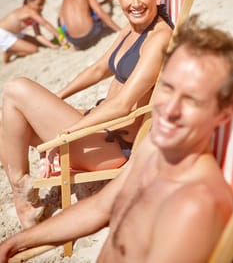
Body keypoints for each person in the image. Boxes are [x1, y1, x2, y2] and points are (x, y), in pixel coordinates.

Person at [0, 24, 233, 263]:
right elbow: (99, 208)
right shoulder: (154, 148)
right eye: (167, 88)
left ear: (224, 114)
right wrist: (17, 242)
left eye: (191, 100)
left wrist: (67, 133)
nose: (169, 109)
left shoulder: (192, 207)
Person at [0, 0, 174, 229]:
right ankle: (22, 195)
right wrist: (55, 99)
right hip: (98, 125)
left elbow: (124, 105)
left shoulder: (158, 38)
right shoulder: (133, 27)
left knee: (15, 89)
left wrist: (64, 137)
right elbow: (97, 69)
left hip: (113, 147)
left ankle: (22, 200)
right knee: (12, 119)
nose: (136, 3)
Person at [0, 0, 61, 64]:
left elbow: (38, 35)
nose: (41, 7)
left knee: (39, 43)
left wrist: (51, 45)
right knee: (33, 50)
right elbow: (45, 24)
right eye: (39, 4)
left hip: (15, 33)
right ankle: (9, 51)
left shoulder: (34, 13)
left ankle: (13, 47)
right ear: (28, 2)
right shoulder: (29, 11)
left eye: (43, 4)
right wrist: (59, 36)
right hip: (3, 34)